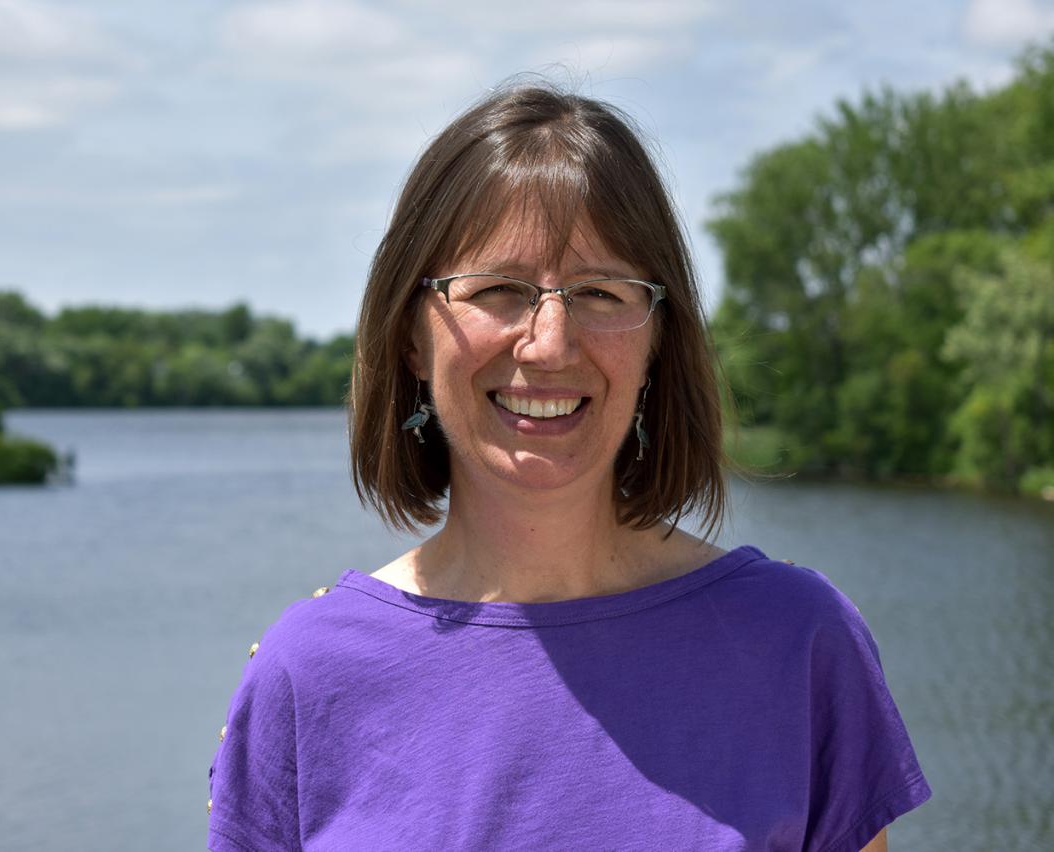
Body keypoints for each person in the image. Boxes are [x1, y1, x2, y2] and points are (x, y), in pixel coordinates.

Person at [207, 82, 932, 851]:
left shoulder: (798, 643)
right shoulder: (308, 673)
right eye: (498, 290)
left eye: (599, 291)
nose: (550, 343)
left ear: (657, 338)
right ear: (411, 338)